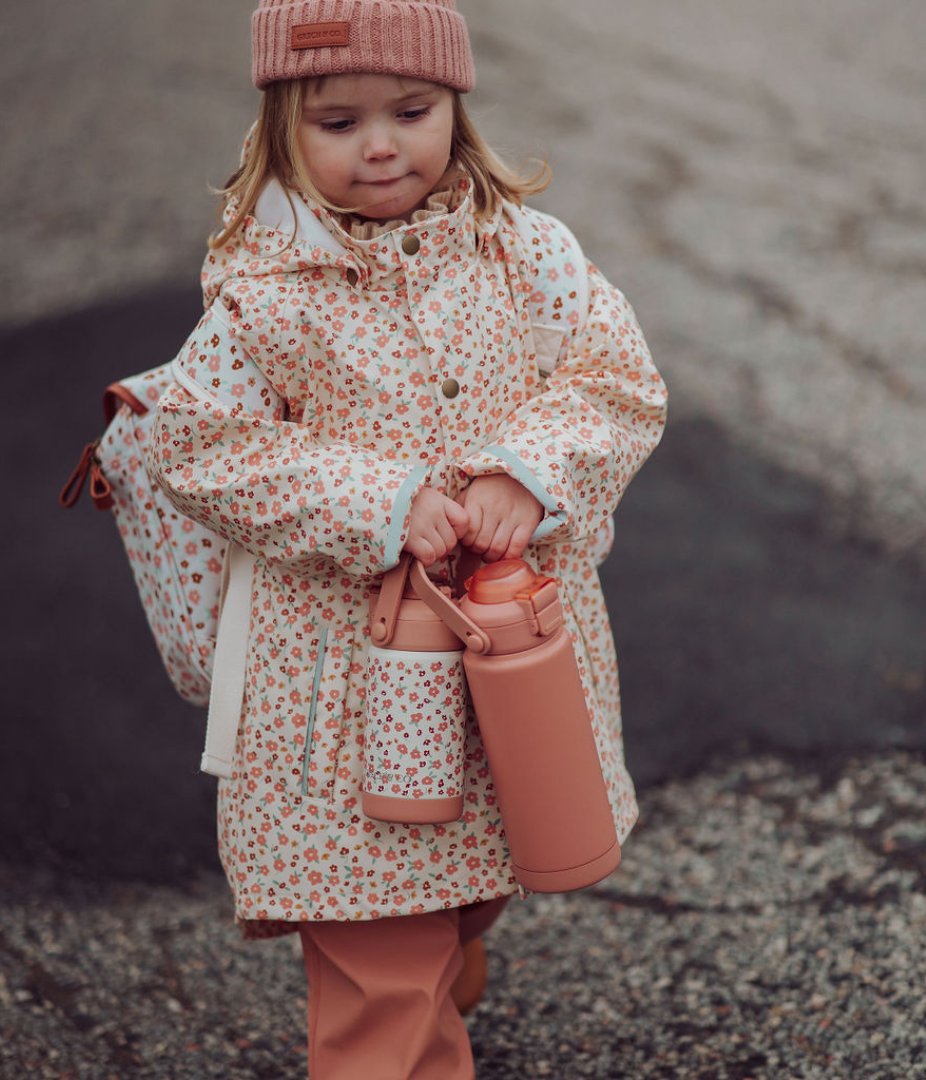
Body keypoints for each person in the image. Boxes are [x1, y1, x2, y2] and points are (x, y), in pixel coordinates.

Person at [146, 1, 667, 1076]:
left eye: (412, 110)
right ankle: (407, 1001)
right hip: (341, 689)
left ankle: (449, 951)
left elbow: (616, 383)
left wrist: (530, 474)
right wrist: (375, 500)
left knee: (479, 868)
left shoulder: (529, 255)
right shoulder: (263, 299)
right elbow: (194, 442)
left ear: (456, 107)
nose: (380, 144)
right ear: (282, 128)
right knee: (379, 942)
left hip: (508, 654)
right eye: (337, 122)